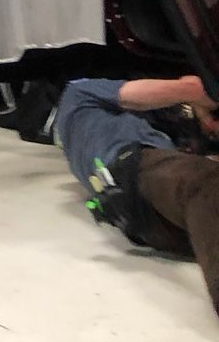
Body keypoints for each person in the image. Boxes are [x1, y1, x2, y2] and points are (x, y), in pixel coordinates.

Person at [55, 75, 219, 317]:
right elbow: (192, 87)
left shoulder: (109, 126)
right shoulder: (79, 91)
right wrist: (204, 100)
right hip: (130, 170)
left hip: (145, 217)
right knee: (201, 181)